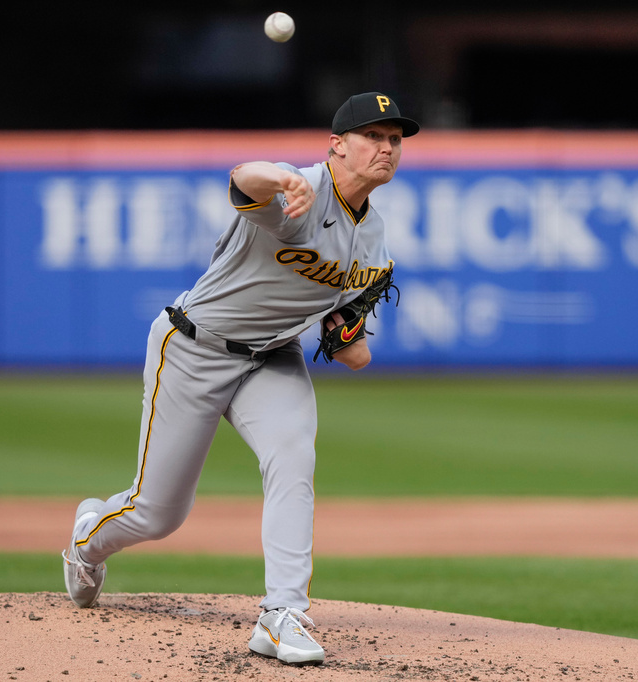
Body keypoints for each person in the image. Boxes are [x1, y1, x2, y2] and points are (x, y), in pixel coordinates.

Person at [61, 91, 419, 666]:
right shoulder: (296, 188)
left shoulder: (373, 238)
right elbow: (242, 177)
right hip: (194, 348)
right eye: (373, 136)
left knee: (293, 456)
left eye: (394, 139)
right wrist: (278, 176)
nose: (386, 147)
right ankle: (86, 543)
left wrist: (347, 328)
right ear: (337, 145)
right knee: (159, 513)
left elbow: (353, 355)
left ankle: (282, 614)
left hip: (272, 359)